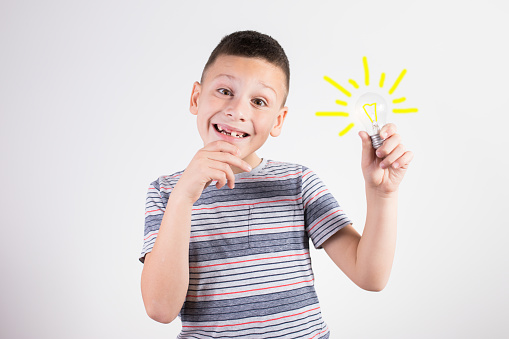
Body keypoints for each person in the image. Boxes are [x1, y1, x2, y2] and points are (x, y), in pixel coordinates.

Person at [139, 30, 413, 338]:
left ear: (278, 120)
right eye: (225, 91)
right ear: (195, 98)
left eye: (258, 101)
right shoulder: (165, 192)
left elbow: (370, 276)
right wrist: (183, 198)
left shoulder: (297, 183)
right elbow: (160, 309)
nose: (238, 111)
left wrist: (382, 195)